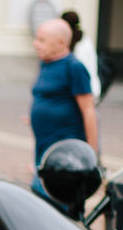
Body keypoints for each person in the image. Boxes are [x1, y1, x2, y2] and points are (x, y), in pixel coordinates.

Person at [29, 18, 97, 198]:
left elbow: (89, 112)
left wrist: (92, 156)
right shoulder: (45, 64)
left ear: (60, 42)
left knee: (53, 205)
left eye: (42, 40)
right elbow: (48, 97)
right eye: (36, 39)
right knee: (39, 200)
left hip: (65, 158)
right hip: (43, 151)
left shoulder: (74, 67)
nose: (36, 44)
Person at [61, 9, 100, 101]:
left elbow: (81, 68)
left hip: (86, 89)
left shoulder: (81, 44)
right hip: (86, 88)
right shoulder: (82, 40)